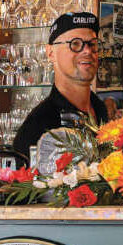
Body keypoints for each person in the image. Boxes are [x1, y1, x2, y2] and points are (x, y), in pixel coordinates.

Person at [13, 12, 109, 159]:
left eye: (92, 44)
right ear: (51, 53)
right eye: (75, 44)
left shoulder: (101, 109)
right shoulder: (38, 125)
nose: (87, 51)